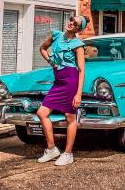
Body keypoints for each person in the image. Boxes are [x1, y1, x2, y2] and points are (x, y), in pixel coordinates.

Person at [37, 15, 90, 166]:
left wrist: (79, 93)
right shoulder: (55, 35)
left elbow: (81, 71)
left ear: (78, 29)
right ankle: (51, 149)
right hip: (59, 81)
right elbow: (42, 49)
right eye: (72, 19)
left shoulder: (78, 45)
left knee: (69, 117)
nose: (72, 22)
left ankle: (68, 154)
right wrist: (51, 61)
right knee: (42, 113)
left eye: (76, 23)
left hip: (71, 80)